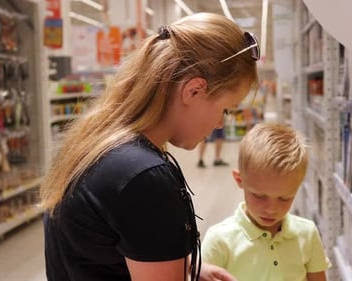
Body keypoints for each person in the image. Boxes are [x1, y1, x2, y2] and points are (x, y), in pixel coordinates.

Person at [40, 12, 260, 281]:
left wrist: (184, 265)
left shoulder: (99, 143)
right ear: (193, 91)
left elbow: (99, 254)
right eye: (225, 110)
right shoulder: (144, 178)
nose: (218, 124)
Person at [201, 123, 331, 281]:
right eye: (260, 196)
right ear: (239, 180)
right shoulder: (219, 240)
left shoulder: (308, 234)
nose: (271, 209)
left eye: (284, 198)